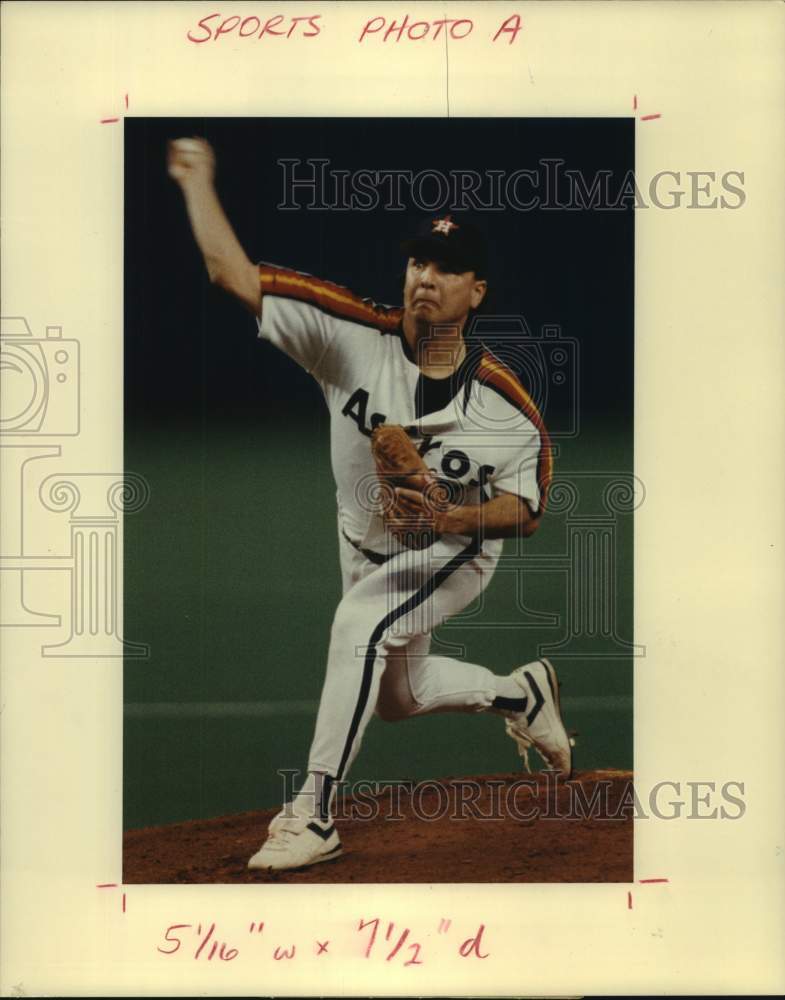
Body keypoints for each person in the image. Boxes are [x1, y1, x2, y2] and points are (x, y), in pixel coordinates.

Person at [167, 136, 572, 872]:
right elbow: (230, 272)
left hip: (450, 554)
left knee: (358, 624)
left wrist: (451, 518)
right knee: (400, 696)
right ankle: (519, 696)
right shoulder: (348, 336)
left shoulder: (504, 408)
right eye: (419, 260)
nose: (427, 277)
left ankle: (313, 812)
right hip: (361, 544)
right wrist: (196, 179)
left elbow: (527, 508)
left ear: (475, 291)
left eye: (447, 268)